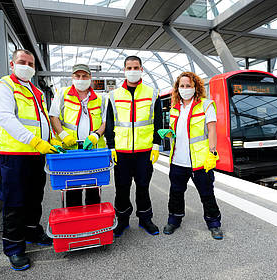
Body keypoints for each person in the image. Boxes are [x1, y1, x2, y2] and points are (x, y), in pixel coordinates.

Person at [0, 49, 59, 271]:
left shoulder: (35, 91)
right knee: (15, 202)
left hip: (36, 156)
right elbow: (6, 119)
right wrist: (35, 141)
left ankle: (31, 231)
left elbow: (42, 120)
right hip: (14, 156)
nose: (26, 66)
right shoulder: (3, 87)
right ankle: (14, 248)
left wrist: (53, 140)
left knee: (35, 198)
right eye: (22, 62)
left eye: (30, 63)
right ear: (12, 64)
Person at [158, 71, 223, 240]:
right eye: (182, 86)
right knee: (176, 193)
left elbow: (212, 130)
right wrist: (169, 133)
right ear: (177, 88)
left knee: (207, 194)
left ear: (196, 87)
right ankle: (174, 220)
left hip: (200, 161)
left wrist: (212, 152)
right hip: (178, 160)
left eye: (189, 86)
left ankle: (214, 223)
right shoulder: (175, 107)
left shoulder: (206, 105)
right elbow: (177, 132)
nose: (185, 89)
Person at [105, 55, 163, 237]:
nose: (132, 71)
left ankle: (145, 219)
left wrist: (156, 144)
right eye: (129, 68)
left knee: (143, 186)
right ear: (124, 70)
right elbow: (109, 122)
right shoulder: (114, 95)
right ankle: (122, 221)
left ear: (141, 69)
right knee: (122, 188)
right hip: (121, 152)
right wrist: (111, 146)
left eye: (135, 67)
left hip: (144, 151)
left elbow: (159, 121)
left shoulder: (152, 93)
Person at [49, 64, 106, 206]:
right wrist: (63, 135)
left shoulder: (101, 99)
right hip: (71, 151)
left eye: (84, 76)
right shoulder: (62, 93)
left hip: (93, 151)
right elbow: (54, 116)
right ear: (72, 77)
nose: (81, 79)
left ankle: (93, 223)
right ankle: (75, 225)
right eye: (77, 76)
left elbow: (106, 121)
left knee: (93, 190)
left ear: (90, 78)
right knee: (72, 189)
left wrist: (96, 135)